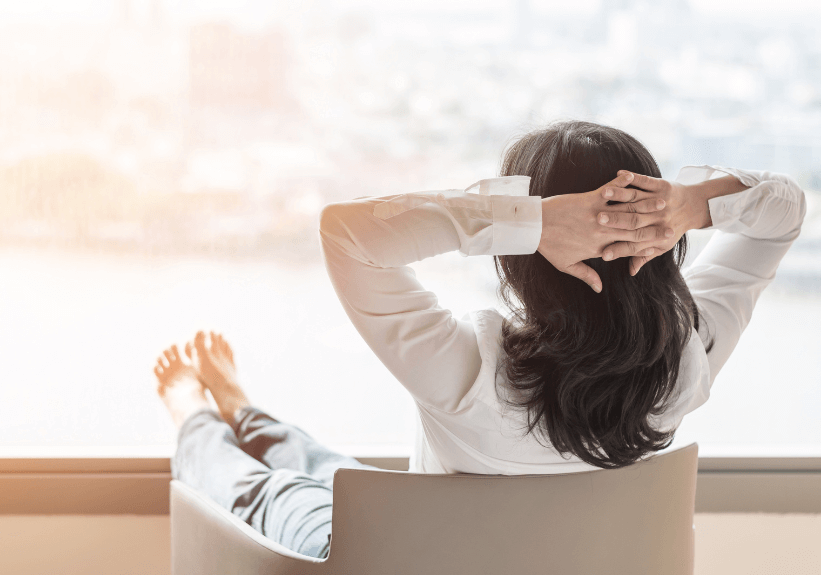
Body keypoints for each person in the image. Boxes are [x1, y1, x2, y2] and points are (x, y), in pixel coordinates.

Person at [153, 120, 807, 559]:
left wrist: (528, 221)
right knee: (337, 473)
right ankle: (246, 411)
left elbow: (348, 233)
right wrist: (694, 204)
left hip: (394, 563)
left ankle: (198, 414)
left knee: (271, 492)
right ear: (661, 241)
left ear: (521, 257)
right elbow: (783, 215)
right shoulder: (689, 364)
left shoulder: (468, 373)